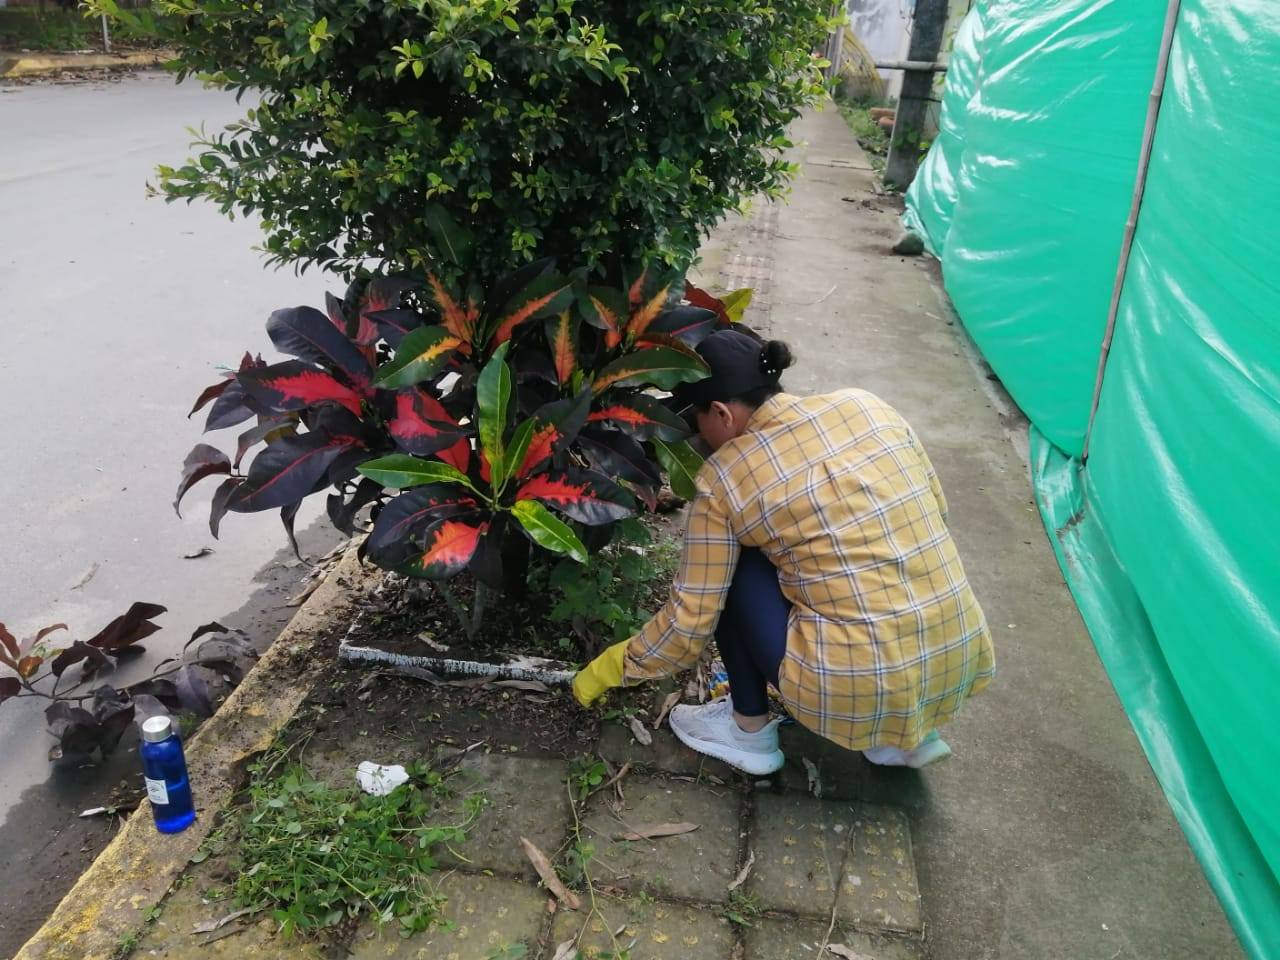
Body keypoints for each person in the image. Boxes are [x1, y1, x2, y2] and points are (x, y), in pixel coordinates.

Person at [572, 329, 995, 775]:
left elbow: (689, 625)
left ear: (721, 413)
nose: (698, 435)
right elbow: (938, 513)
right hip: (957, 658)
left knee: (733, 567)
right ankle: (904, 737)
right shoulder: (867, 406)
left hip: (851, 688)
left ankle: (748, 732)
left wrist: (610, 668)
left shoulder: (725, 478)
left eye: (697, 421)